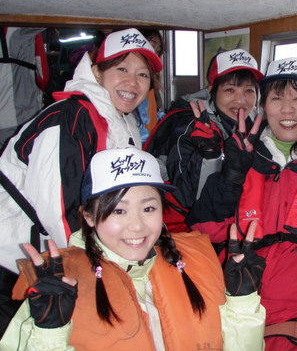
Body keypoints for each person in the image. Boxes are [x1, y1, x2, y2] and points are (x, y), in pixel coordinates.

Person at [0, 147, 265, 350]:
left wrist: (242, 302)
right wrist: (49, 333)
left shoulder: (198, 261)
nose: (137, 226)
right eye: (118, 210)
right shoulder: (56, 284)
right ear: (89, 217)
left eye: (148, 208)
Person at [0, 28, 161, 334]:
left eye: (142, 74)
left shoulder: (120, 120)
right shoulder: (70, 117)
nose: (133, 82)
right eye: (122, 69)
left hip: (55, 259)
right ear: (97, 72)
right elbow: (60, 213)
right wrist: (101, 271)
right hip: (15, 264)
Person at [187, 57, 297, 350]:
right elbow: (205, 232)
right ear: (263, 105)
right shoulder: (242, 155)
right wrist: (231, 176)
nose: (287, 109)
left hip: (296, 315)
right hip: (230, 303)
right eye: (276, 98)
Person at [144, 48, 263, 231]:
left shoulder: (251, 124)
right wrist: (209, 155)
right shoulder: (188, 125)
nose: (241, 100)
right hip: (179, 230)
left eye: (249, 90)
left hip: (227, 221)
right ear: (212, 91)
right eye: (230, 89)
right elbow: (189, 199)